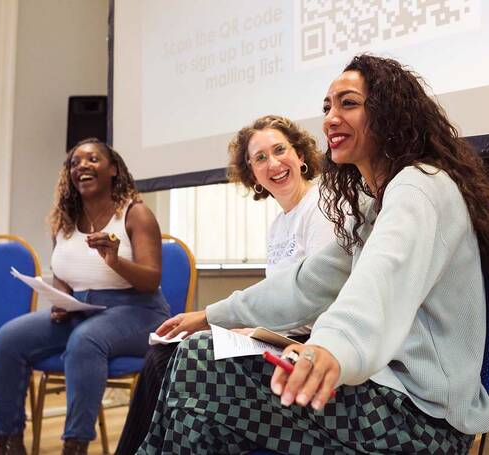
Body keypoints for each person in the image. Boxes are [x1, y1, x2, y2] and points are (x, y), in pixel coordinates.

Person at [137, 54, 489, 454]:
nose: (330, 118)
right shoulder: (377, 205)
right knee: (199, 378)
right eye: (327, 107)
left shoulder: (418, 187)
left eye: (348, 104)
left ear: (390, 113)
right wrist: (211, 316)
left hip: (422, 424)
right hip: (385, 398)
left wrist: (330, 345)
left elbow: (380, 283)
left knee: (199, 364)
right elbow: (304, 285)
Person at [114, 115, 335, 454]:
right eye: (260, 158)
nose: (273, 163)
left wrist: (236, 326)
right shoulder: (278, 225)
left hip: (306, 344)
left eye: (280, 150)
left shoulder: (321, 206)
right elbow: (276, 300)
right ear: (252, 175)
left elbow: (314, 299)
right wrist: (247, 328)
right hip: (277, 335)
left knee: (174, 359)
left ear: (301, 156)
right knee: (162, 353)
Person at [0, 138, 170, 455]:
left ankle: (75, 445)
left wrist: (115, 260)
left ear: (113, 169)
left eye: (93, 159)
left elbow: (151, 279)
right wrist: (61, 298)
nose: (82, 166)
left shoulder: (135, 214)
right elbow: (62, 271)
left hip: (139, 312)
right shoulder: (65, 220)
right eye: (75, 162)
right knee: (8, 339)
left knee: (85, 341)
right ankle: (7, 442)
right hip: (81, 310)